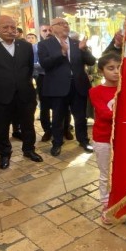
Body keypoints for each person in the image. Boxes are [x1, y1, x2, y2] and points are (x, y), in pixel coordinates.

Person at [0, 15, 42, 169]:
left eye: (13, 27)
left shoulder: (24, 46)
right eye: (5, 27)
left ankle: (29, 149)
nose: (10, 31)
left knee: (28, 124)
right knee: (0, 126)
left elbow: (28, 68)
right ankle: (5, 153)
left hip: (25, 93)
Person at [37, 17, 96, 156]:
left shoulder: (77, 43)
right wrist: (62, 53)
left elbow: (92, 61)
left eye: (66, 23)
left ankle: (83, 140)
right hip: (58, 87)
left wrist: (85, 49)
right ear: (52, 28)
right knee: (58, 117)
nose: (65, 26)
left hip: (78, 85)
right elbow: (45, 64)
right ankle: (57, 143)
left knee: (80, 116)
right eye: (61, 24)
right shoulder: (45, 44)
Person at [89, 53, 121, 225]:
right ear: (101, 72)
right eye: (111, 68)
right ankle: (106, 203)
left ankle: (121, 201)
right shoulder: (96, 91)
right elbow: (105, 114)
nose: (116, 72)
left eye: (119, 67)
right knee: (105, 173)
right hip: (103, 139)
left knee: (120, 171)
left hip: (123, 139)